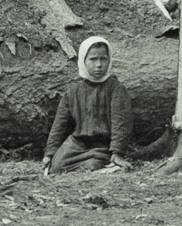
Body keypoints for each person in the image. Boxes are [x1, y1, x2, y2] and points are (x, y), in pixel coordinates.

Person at [42, 36, 133, 174]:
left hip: (103, 145)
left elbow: (120, 122)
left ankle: (107, 165)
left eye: (103, 59)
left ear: (109, 60)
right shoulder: (73, 92)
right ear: (83, 61)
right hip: (78, 143)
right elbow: (59, 125)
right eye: (93, 59)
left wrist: (118, 152)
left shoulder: (116, 88)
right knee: (57, 165)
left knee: (93, 163)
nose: (98, 65)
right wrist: (49, 153)